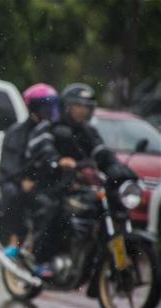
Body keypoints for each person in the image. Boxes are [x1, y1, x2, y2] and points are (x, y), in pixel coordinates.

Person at [26, 82, 136, 278]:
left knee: (106, 207)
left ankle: (104, 258)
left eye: (87, 107)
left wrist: (119, 169)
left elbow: (102, 153)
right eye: (79, 106)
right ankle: (42, 260)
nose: (84, 111)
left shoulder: (88, 132)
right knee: (53, 211)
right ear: (67, 106)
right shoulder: (49, 127)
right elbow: (42, 148)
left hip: (76, 186)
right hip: (50, 184)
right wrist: (58, 161)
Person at [0, 83, 59, 258]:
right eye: (45, 105)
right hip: (18, 183)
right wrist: (25, 179)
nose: (49, 110)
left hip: (44, 183)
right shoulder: (17, 133)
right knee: (16, 196)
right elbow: (11, 166)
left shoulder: (55, 131)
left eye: (51, 105)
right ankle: (15, 240)